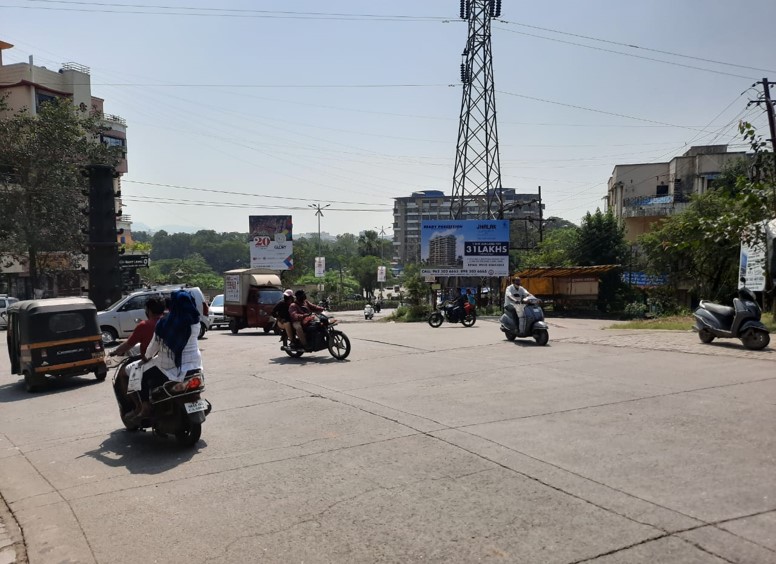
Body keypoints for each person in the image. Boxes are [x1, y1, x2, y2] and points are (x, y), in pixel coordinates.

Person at [128, 290, 203, 422]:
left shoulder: (164, 324)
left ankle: (145, 406)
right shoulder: (196, 322)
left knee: (140, 373)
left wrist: (146, 357)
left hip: (168, 368)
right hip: (194, 364)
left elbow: (152, 348)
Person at [110, 296, 166, 412]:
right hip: (172, 361)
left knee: (124, 372)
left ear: (148, 311)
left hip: (153, 361)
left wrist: (114, 352)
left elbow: (128, 345)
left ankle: (140, 406)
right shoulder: (170, 322)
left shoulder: (144, 325)